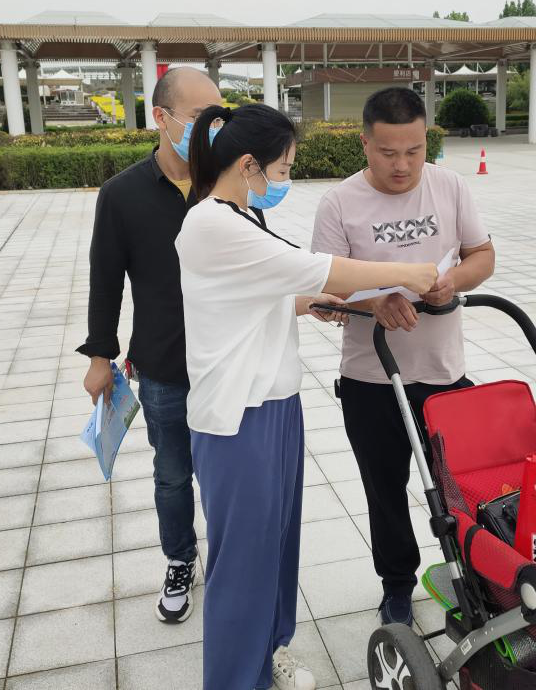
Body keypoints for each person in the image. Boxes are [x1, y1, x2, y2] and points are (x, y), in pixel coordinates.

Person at [176, 103, 437, 690]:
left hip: (275, 406)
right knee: (242, 565)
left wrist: (318, 303)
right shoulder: (211, 223)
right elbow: (314, 268)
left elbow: (276, 291)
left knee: (276, 549)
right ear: (249, 165)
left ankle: (267, 658)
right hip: (237, 416)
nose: (286, 179)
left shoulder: (242, 217)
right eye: (284, 167)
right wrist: (409, 273)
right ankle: (234, 680)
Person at [310, 87, 495, 627]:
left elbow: (482, 255)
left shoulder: (451, 186)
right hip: (372, 380)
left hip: (444, 373)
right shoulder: (339, 203)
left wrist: (452, 282)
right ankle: (396, 587)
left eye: (414, 151)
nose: (403, 165)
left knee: (460, 492)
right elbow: (324, 286)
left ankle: (474, 581)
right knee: (384, 489)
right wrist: (376, 300)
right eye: (389, 153)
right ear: (365, 144)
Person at [78, 67, 221, 625]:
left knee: (227, 474)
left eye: (219, 116)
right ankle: (180, 560)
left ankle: (230, 563)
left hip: (228, 363)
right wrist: (98, 358)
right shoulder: (122, 195)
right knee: (172, 473)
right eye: (199, 116)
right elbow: (104, 279)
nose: (212, 127)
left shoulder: (229, 183)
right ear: (162, 118)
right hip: (163, 366)